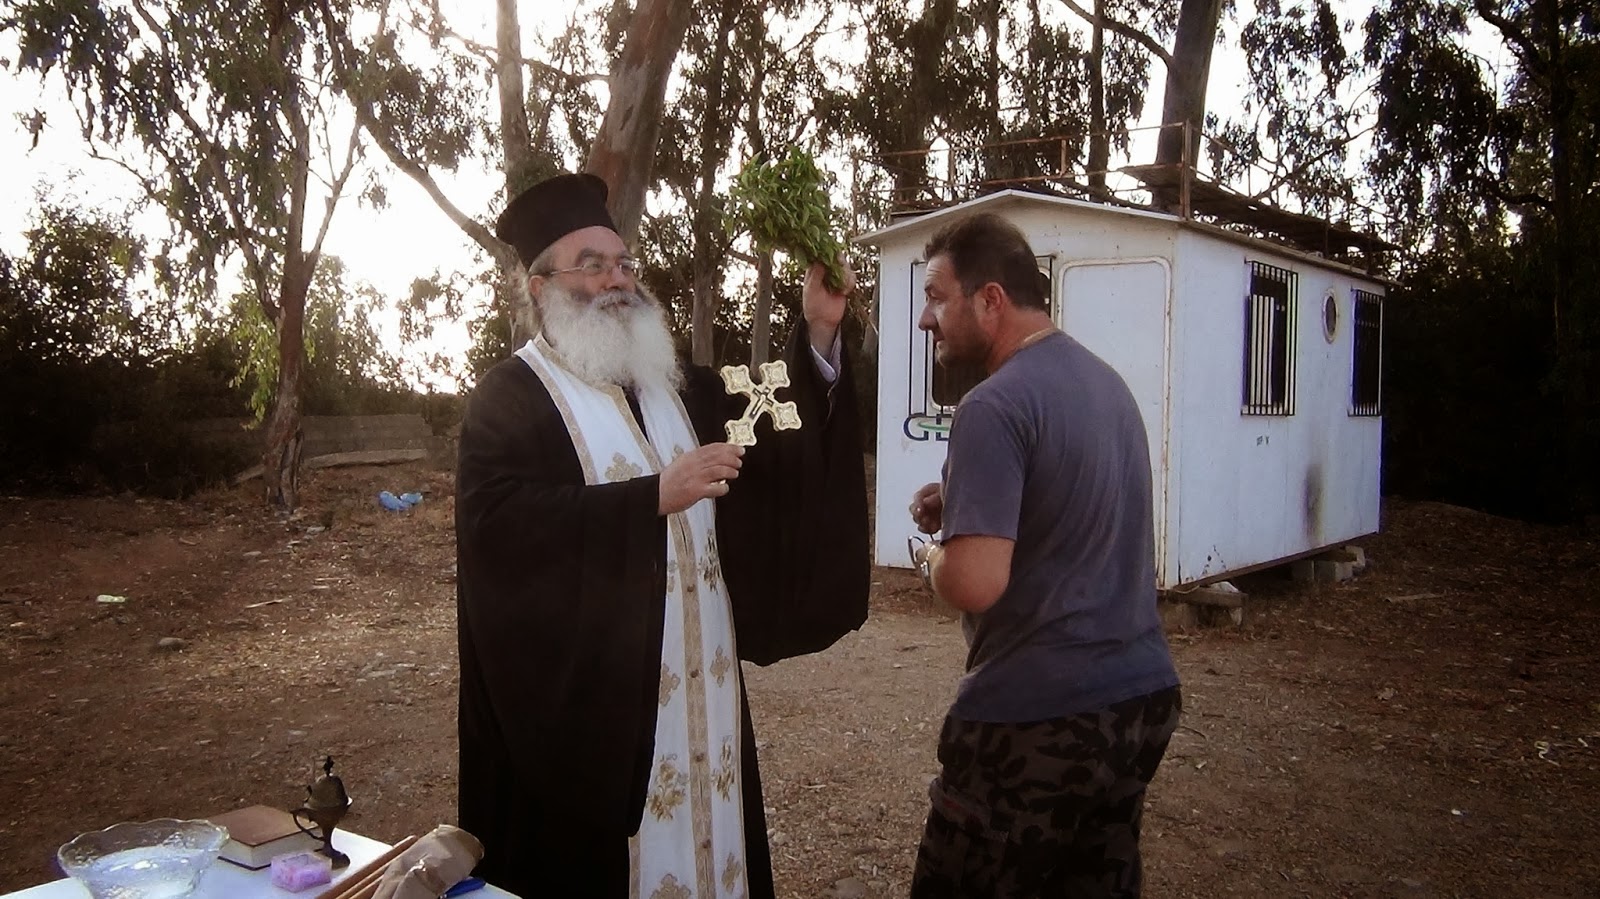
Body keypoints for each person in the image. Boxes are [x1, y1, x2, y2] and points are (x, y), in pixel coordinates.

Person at [455, 172, 869, 899]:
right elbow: (504, 536)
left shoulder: (678, 391)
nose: (617, 280)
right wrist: (650, 498)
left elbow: (774, 431)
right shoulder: (509, 401)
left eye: (623, 264)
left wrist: (821, 333)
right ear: (539, 286)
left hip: (703, 711)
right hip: (601, 736)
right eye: (592, 264)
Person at [905, 212, 1181, 898]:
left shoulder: (993, 406)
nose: (924, 319)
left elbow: (973, 581)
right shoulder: (1107, 387)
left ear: (990, 299)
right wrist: (967, 500)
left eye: (938, 296)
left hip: (1035, 720)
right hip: (1138, 703)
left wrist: (929, 556)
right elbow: (1071, 505)